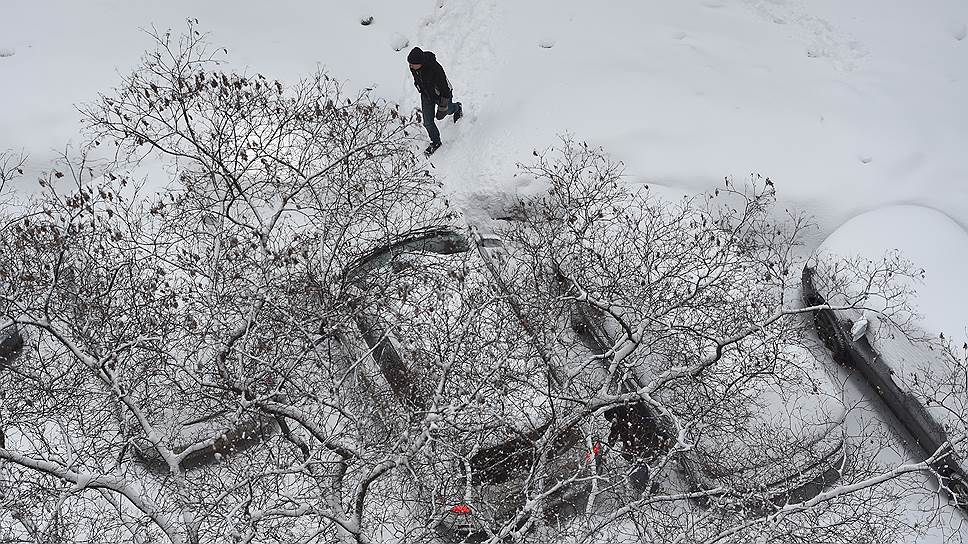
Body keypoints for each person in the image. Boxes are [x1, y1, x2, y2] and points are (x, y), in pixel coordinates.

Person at [407, 47, 463, 156]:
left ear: (421, 63)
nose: (410, 66)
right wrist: (419, 87)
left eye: (413, 64)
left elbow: (445, 89)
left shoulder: (435, 68)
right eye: (409, 63)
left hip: (441, 95)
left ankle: (457, 108)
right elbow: (417, 79)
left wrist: (443, 107)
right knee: (428, 122)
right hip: (426, 95)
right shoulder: (413, 67)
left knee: (448, 111)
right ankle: (436, 142)